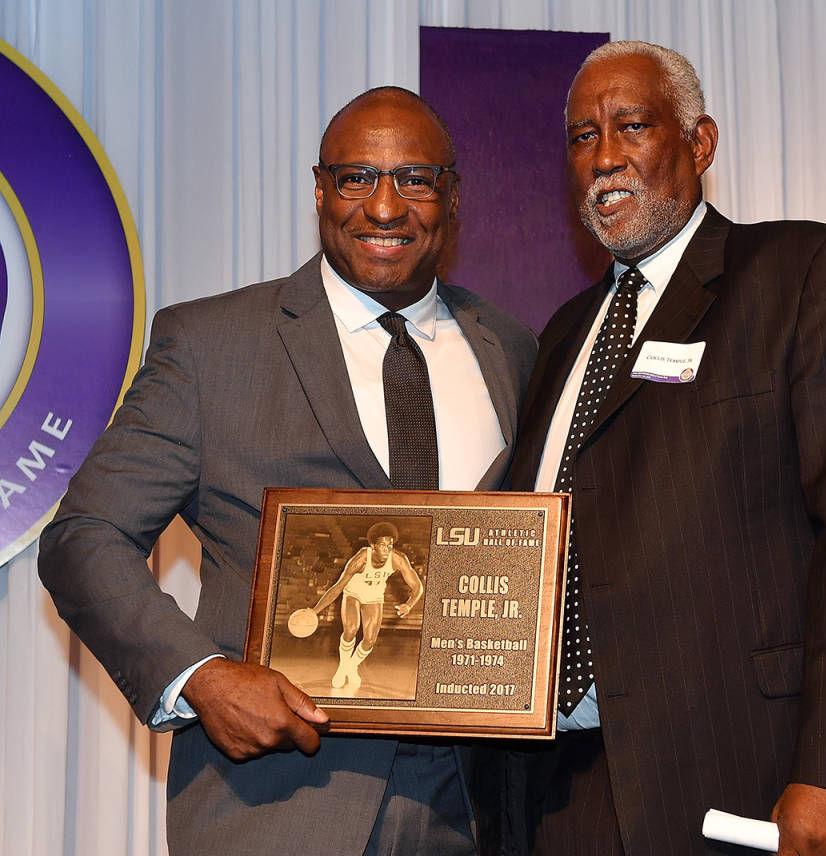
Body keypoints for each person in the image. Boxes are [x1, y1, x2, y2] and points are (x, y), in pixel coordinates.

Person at [38, 86, 536, 855]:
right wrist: (201, 676)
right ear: (318, 189)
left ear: (452, 194)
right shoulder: (211, 346)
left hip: (478, 808)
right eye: (356, 177)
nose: (384, 206)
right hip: (278, 805)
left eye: (414, 179)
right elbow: (84, 535)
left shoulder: (515, 349)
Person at [504, 41, 826, 856]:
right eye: (582, 137)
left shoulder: (806, 272)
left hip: (748, 779)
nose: (605, 158)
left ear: (699, 144)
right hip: (566, 795)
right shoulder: (561, 337)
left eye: (631, 126)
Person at [309, 521, 423, 694]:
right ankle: (342, 669)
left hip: (374, 596)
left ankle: (350, 668)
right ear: (372, 545)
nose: (387, 549)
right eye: (383, 545)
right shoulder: (361, 558)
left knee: (370, 640)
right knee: (351, 629)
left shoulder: (398, 559)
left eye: (390, 545)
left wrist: (409, 604)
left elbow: (417, 587)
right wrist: (315, 611)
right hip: (352, 593)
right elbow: (338, 587)